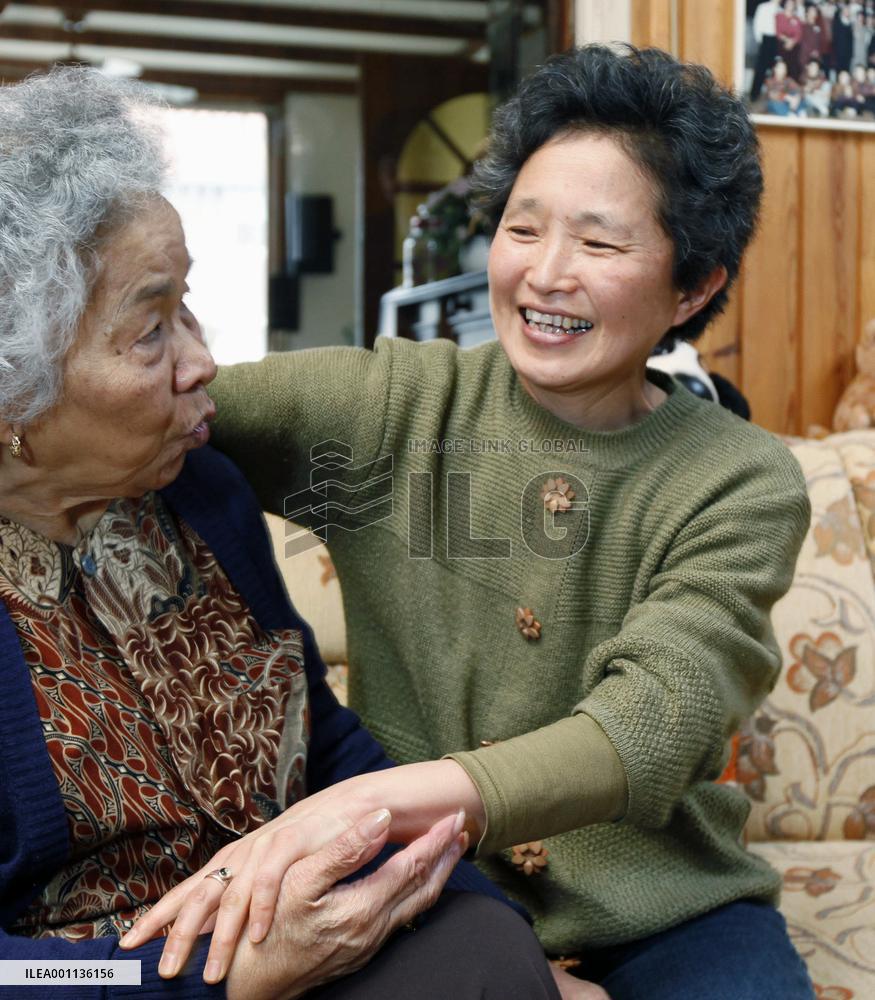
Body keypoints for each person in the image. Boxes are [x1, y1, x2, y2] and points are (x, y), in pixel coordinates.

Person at [133, 45, 816, 999]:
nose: (545, 273)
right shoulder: (389, 408)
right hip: (423, 894)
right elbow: (157, 404)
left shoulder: (737, 477)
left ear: (691, 287)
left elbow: (655, 725)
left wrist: (372, 799)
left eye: (600, 243)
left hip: (668, 910)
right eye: (521, 228)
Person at [0, 66, 567, 1000]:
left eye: (186, 302)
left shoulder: (202, 494)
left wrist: (451, 888)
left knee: (489, 957)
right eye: (149, 332)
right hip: (107, 979)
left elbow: (327, 741)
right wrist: (217, 984)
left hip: (313, 933)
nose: (202, 359)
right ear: (18, 388)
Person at [750, 0, 782, 100]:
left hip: (777, 40)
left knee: (776, 68)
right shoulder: (763, 7)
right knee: (761, 68)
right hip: (766, 39)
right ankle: (754, 94)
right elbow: (757, 23)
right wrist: (760, 40)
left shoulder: (781, 9)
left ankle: (772, 95)